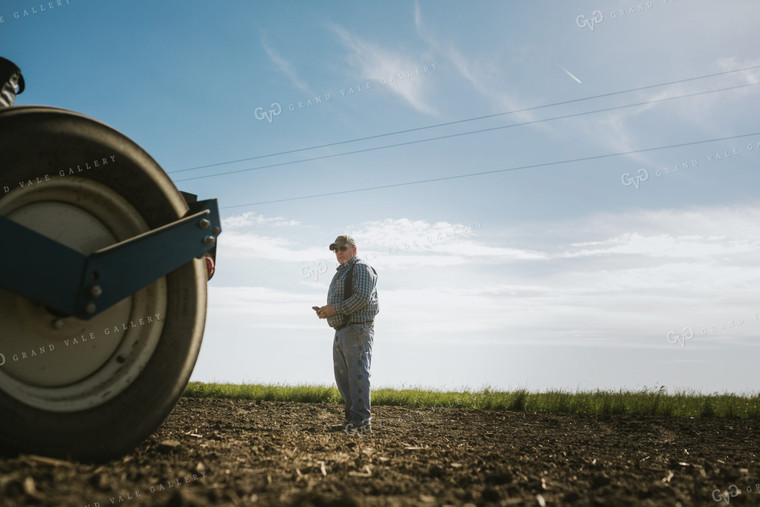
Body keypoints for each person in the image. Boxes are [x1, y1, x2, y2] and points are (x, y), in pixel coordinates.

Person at [316, 235, 378, 435]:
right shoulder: (342, 272)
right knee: (345, 379)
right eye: (335, 249)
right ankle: (353, 420)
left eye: (343, 248)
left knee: (358, 375)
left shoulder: (360, 268)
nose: (339, 252)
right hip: (343, 330)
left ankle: (361, 422)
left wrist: (334, 309)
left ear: (354, 249)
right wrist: (327, 311)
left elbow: (361, 298)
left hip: (357, 329)